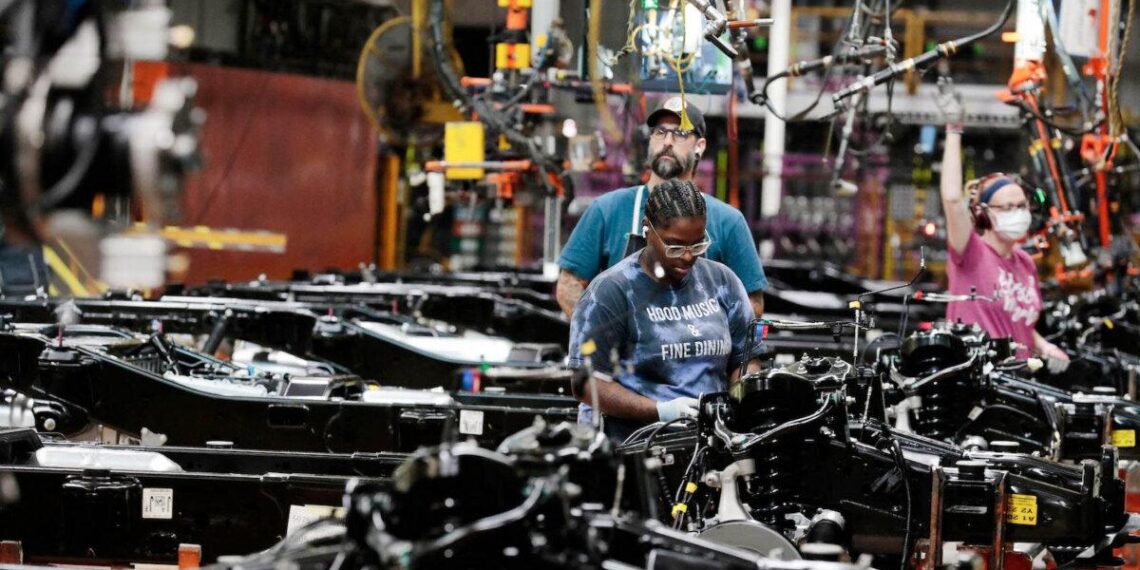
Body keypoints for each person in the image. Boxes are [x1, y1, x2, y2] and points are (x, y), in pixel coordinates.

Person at [567, 179, 763, 441]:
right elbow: (584, 384)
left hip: (710, 444)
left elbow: (745, 359)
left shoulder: (722, 282)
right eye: (674, 245)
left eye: (697, 245)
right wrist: (659, 411)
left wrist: (739, 402)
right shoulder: (611, 292)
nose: (687, 256)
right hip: (637, 448)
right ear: (647, 229)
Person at [556, 96, 767, 319]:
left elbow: (752, 303)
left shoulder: (728, 221)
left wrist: (709, 335)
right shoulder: (608, 210)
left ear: (700, 146)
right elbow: (569, 284)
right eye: (660, 132)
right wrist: (603, 333)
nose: (667, 141)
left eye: (680, 133)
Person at [937, 79, 1068, 366]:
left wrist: (1045, 348)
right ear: (984, 213)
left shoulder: (1026, 264)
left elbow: (1020, 325)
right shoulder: (969, 253)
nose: (1017, 212)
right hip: (979, 386)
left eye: (1021, 206)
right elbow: (951, 198)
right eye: (1007, 206)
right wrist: (954, 129)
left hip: (1018, 384)